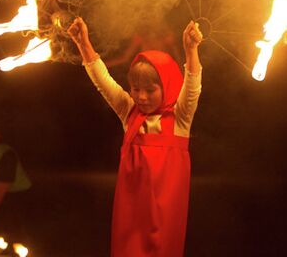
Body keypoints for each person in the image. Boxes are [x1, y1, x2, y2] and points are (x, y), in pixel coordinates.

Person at [67, 16, 203, 257]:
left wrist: (191, 50)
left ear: (167, 86)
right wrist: (83, 44)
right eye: (136, 89)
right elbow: (104, 82)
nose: (141, 96)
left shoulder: (180, 118)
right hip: (132, 216)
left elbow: (192, 86)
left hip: (165, 214)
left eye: (150, 90)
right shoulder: (129, 113)